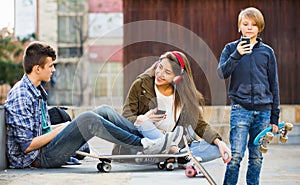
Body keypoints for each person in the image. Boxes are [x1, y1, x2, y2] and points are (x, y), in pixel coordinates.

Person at [4, 41, 182, 169]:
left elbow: (40, 130)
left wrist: (61, 127)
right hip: (39, 158)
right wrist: (61, 129)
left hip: (45, 149)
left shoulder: (36, 91)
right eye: (50, 66)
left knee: (103, 110)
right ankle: (147, 146)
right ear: (37, 69)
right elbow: (27, 146)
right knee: (87, 119)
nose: (53, 70)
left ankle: (154, 142)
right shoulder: (21, 95)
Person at [112, 50, 231, 165]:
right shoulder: (141, 85)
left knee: (216, 149)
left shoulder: (184, 95)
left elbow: (199, 124)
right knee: (145, 126)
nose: (160, 74)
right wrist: (142, 119)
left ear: (178, 77)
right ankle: (178, 155)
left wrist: (219, 142)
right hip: (143, 142)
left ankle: (173, 156)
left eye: (167, 72)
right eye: (160, 67)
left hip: (174, 142)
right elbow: (126, 118)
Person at [217, 7, 280, 185]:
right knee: (235, 155)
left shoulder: (267, 52)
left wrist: (274, 117)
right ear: (239, 27)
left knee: (257, 157)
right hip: (240, 110)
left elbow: (274, 84)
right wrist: (237, 55)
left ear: (259, 28)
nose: (249, 27)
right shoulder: (230, 49)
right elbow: (221, 73)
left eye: (254, 25)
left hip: (263, 112)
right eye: (245, 24)